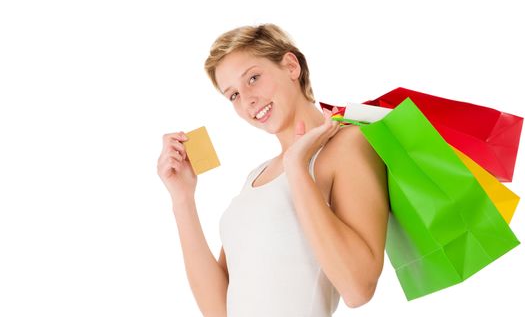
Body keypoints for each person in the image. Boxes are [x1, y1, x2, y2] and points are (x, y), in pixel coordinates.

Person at [157, 23, 389, 317]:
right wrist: (182, 199)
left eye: (253, 78)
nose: (248, 100)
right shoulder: (255, 177)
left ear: (291, 66)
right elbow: (220, 311)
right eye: (233, 95)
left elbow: (358, 289)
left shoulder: (348, 145)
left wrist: (297, 167)